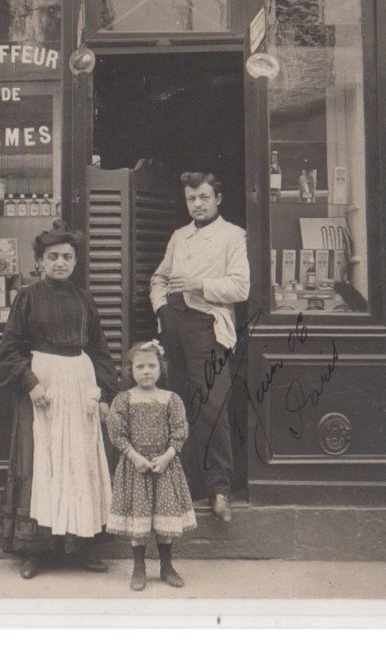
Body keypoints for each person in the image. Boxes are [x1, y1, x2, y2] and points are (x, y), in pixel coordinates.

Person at [0, 220, 119, 579]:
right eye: (52, 257)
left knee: (79, 465)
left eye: (67, 257)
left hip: (80, 387)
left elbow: (100, 350)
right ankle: (35, 552)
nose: (60, 262)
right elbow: (10, 351)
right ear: (39, 261)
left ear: (76, 262)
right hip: (43, 388)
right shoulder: (27, 298)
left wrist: (105, 393)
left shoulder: (85, 300)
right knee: (43, 465)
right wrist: (32, 384)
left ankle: (82, 546)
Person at [150, 172, 250, 523]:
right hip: (174, 325)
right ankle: (182, 488)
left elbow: (241, 288)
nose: (198, 204)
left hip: (208, 328)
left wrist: (197, 284)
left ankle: (219, 490)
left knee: (212, 407)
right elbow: (159, 278)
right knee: (176, 406)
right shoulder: (180, 236)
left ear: (217, 198)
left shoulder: (234, 236)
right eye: (192, 199)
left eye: (204, 197)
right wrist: (161, 308)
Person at [106, 340, 196, 591]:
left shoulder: (171, 399)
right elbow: (117, 433)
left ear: (161, 368)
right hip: (136, 468)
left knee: (164, 518)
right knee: (139, 522)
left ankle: (166, 566)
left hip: (163, 467)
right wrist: (135, 457)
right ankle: (138, 568)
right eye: (140, 366)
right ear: (130, 371)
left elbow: (179, 431)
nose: (146, 371)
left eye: (152, 366)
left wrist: (167, 456)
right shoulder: (124, 400)